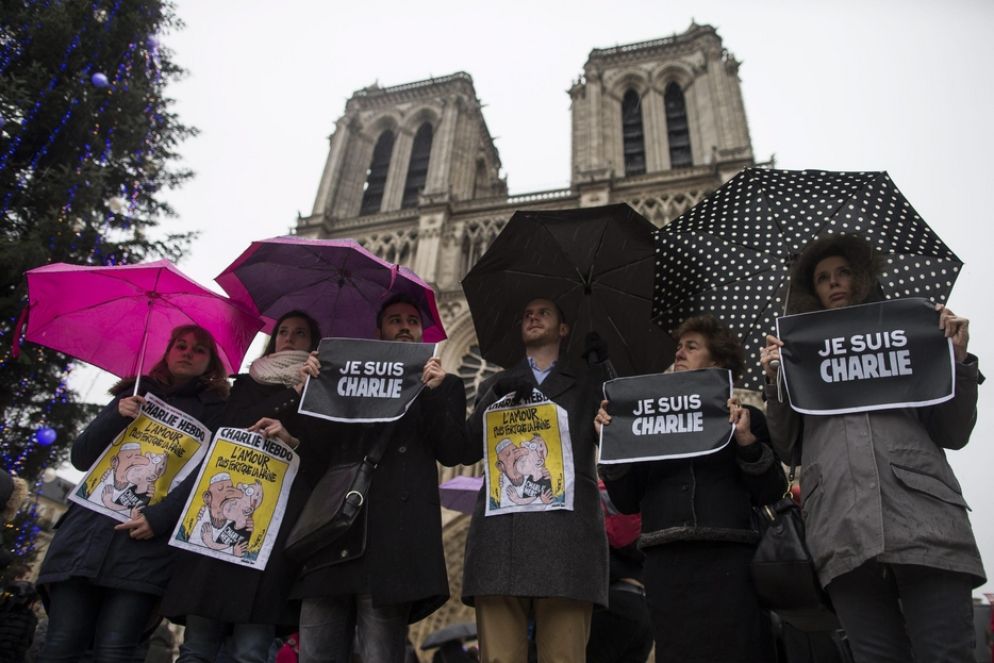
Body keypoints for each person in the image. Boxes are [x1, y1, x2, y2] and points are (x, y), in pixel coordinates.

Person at [760, 234, 985, 662]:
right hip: (841, 526)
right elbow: (789, 446)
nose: (834, 282)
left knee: (945, 653)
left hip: (924, 519)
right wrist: (776, 382)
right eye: (823, 277)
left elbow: (954, 432)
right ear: (813, 290)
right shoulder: (799, 358)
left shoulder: (910, 335)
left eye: (843, 271)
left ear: (862, 277)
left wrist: (957, 361)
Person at [289, 294, 472, 663]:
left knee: (380, 655)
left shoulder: (443, 386)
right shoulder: (344, 377)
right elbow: (316, 456)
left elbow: (454, 452)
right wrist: (311, 393)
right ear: (379, 330)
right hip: (333, 533)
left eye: (412, 321)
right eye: (395, 320)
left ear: (423, 333)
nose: (405, 326)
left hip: (393, 541)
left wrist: (436, 394)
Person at [36, 325, 229, 663]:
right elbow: (81, 457)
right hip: (84, 539)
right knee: (61, 647)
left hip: (145, 550)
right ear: (167, 352)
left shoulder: (217, 413)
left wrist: (160, 517)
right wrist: (116, 414)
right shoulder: (134, 394)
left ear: (210, 363)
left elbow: (208, 476)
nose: (187, 352)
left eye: (199, 350)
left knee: (116, 651)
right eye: (180, 345)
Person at [596, 314, 784, 662]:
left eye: (691, 347)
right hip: (668, 562)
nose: (679, 353)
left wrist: (746, 442)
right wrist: (613, 444)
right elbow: (624, 501)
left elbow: (771, 490)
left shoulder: (748, 418)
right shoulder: (646, 421)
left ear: (717, 361)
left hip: (729, 558)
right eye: (678, 347)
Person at [159, 311, 321, 663]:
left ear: (313, 345)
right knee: (198, 646)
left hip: (269, 532)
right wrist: (293, 393)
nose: (289, 338)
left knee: (251, 650)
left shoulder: (322, 395)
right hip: (216, 525)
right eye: (283, 331)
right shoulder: (246, 384)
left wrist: (292, 439)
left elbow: (321, 457)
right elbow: (232, 430)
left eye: (300, 334)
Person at [462, 297, 610, 663]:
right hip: (501, 542)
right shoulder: (497, 382)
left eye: (544, 312)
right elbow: (463, 449)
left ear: (563, 328)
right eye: (526, 313)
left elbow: (619, 450)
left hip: (566, 540)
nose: (532, 316)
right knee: (498, 658)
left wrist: (606, 372)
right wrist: (494, 396)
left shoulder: (590, 382)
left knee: (564, 656)